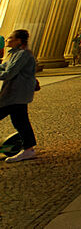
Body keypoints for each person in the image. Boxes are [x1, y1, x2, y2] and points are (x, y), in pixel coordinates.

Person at [0, 29, 38, 162]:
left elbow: (9, 73)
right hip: (16, 94)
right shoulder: (16, 54)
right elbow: (4, 67)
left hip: (16, 94)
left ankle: (28, 149)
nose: (7, 40)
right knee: (20, 121)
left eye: (10, 38)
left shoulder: (22, 55)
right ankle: (28, 149)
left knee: (20, 121)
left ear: (18, 41)